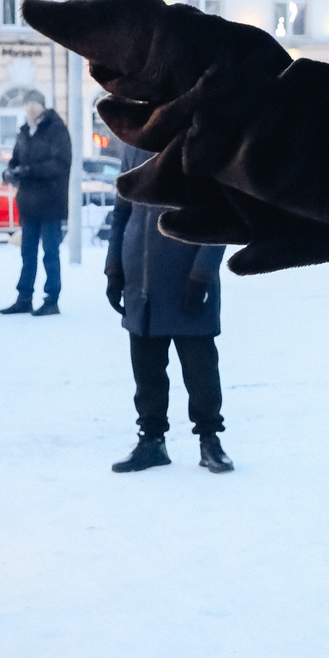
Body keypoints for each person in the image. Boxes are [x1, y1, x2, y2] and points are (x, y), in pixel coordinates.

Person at [104, 145, 232, 474]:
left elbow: (221, 212)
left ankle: (210, 441)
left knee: (199, 368)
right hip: (140, 282)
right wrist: (114, 268)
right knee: (147, 370)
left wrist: (202, 274)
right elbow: (122, 212)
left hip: (188, 280)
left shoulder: (199, 139)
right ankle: (152, 442)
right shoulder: (133, 147)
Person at [0, 90, 71, 315]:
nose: (30, 107)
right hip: (29, 202)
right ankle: (24, 297)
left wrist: (28, 171)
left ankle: (52, 298)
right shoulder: (24, 132)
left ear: (42, 105)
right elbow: (16, 159)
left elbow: (60, 163)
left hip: (50, 201)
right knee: (27, 252)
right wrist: (10, 171)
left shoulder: (56, 129)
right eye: (27, 103)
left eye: (34, 103)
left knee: (50, 251)